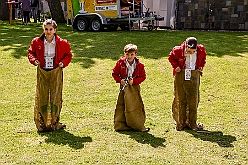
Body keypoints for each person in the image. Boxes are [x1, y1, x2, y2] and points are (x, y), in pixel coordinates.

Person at [28, 19, 72, 132]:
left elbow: (68, 55)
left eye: (50, 29)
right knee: (42, 96)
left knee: (55, 96)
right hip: (42, 70)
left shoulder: (63, 43)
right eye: (46, 29)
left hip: (56, 70)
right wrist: (34, 60)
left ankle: (54, 122)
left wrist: (63, 63)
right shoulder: (37, 41)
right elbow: (31, 52)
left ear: (55, 30)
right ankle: (41, 123)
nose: (48, 32)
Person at [168, 37, 206, 131]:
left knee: (193, 99)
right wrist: (176, 66)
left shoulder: (201, 50)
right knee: (181, 97)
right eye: (189, 51)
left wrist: (201, 66)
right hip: (181, 73)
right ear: (186, 46)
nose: (191, 53)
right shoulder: (177, 50)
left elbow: (203, 58)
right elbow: (171, 57)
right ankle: (181, 122)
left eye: (194, 51)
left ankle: (192, 122)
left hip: (194, 74)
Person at [112, 44, 150, 132]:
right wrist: (120, 80)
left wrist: (135, 81)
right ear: (124, 54)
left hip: (134, 87)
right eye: (127, 54)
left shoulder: (140, 65)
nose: (129, 56)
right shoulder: (120, 63)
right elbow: (114, 73)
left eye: (131, 54)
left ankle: (137, 124)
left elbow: (143, 77)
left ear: (135, 54)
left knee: (135, 105)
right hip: (124, 87)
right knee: (122, 105)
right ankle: (120, 125)